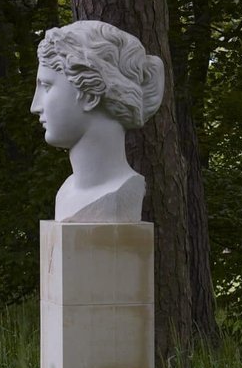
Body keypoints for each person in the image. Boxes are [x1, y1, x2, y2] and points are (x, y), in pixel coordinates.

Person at [31, 21, 165, 222]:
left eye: (47, 86)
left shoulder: (121, 192)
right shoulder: (66, 192)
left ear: (90, 95)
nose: (35, 106)